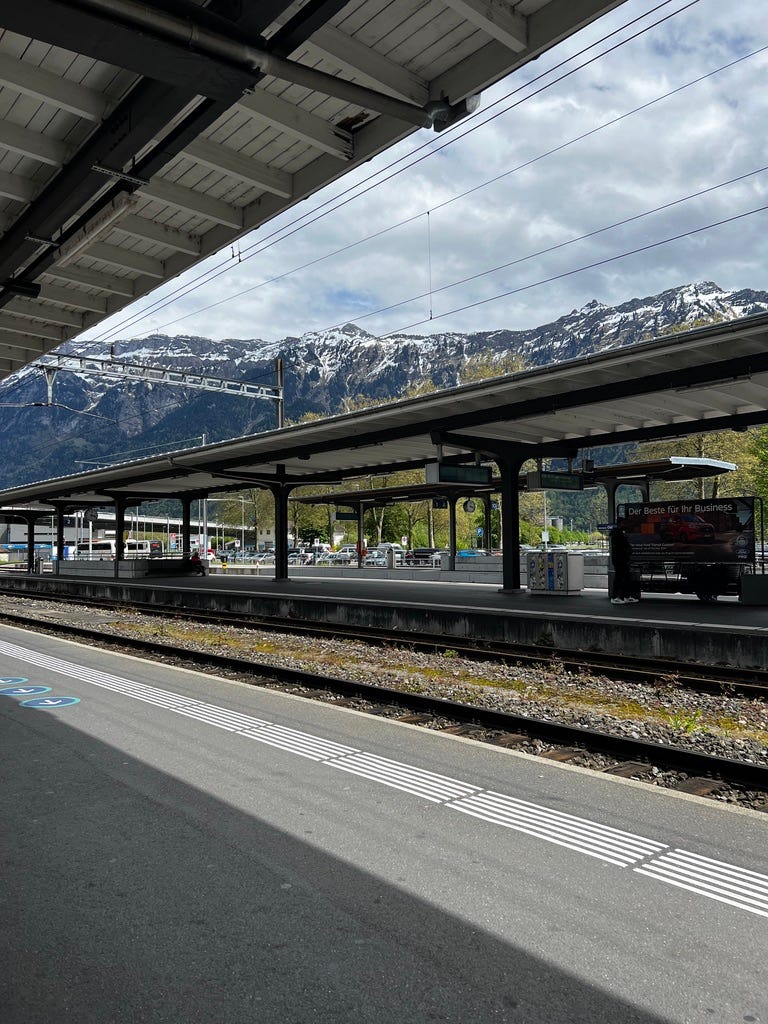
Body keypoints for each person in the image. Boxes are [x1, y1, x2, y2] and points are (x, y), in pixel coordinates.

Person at [609, 523, 637, 604]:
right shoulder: (620, 536)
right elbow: (624, 547)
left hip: (620, 560)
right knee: (621, 578)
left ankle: (624, 596)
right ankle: (616, 597)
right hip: (621, 560)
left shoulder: (616, 535)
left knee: (624, 577)